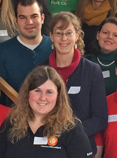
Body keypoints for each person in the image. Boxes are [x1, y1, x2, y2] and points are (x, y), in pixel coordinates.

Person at [39, 12, 108, 156]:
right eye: (59, 33)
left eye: (69, 33)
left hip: (82, 147)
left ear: (77, 35)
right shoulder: (39, 72)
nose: (64, 38)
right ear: (51, 36)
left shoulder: (92, 70)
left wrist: (70, 133)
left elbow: (100, 119)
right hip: (47, 147)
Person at [0, 66, 92, 158]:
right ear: (27, 94)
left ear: (58, 96)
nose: (43, 98)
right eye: (37, 91)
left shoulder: (71, 129)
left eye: (49, 92)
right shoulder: (10, 125)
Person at [0, 0, 54, 91]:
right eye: (22, 17)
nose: (29, 22)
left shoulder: (56, 47)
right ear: (15, 21)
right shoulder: (1, 52)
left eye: (34, 16)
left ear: (42, 18)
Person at [84, 17, 117, 95]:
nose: (110, 37)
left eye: (116, 35)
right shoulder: (84, 61)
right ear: (98, 35)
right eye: (105, 32)